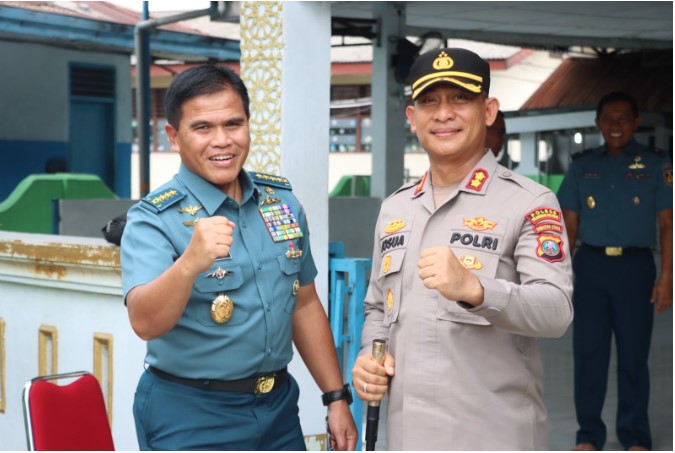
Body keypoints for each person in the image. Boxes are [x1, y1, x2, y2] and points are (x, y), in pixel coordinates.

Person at [121, 65, 357, 451]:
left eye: (233, 124)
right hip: (190, 412)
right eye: (202, 128)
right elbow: (145, 322)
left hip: (278, 408)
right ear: (174, 137)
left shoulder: (279, 202)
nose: (222, 141)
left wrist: (335, 397)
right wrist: (189, 264)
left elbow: (305, 304)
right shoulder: (153, 218)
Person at [351, 47, 574, 450]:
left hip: (493, 435)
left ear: (488, 111)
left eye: (460, 98)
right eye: (429, 101)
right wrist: (370, 356)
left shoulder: (530, 201)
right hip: (408, 437)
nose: (443, 114)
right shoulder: (396, 207)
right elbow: (377, 308)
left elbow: (557, 311)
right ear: (412, 117)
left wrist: (477, 289)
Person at [556, 91, 673, 451]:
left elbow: (668, 224)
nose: (616, 125)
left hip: (635, 267)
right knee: (589, 355)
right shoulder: (581, 166)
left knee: (634, 357)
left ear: (636, 123)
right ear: (598, 124)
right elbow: (568, 226)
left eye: (624, 118)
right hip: (590, 267)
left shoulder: (657, 165)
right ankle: (588, 435)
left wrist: (667, 276)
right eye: (609, 118)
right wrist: (560, 276)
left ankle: (634, 436)